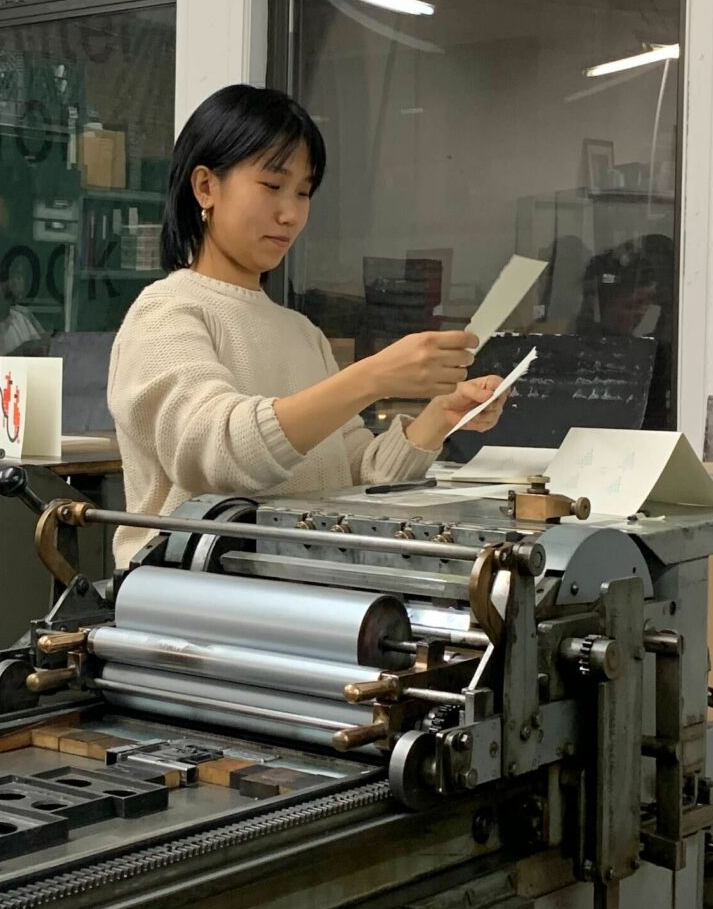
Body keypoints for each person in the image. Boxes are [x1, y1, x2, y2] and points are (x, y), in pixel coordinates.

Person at [106, 85, 509, 562]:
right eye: (273, 186)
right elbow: (218, 458)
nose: (291, 213)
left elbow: (354, 476)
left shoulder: (302, 334)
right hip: (193, 599)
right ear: (206, 187)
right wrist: (372, 376)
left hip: (305, 589)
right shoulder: (166, 313)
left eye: (304, 192)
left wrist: (439, 418)